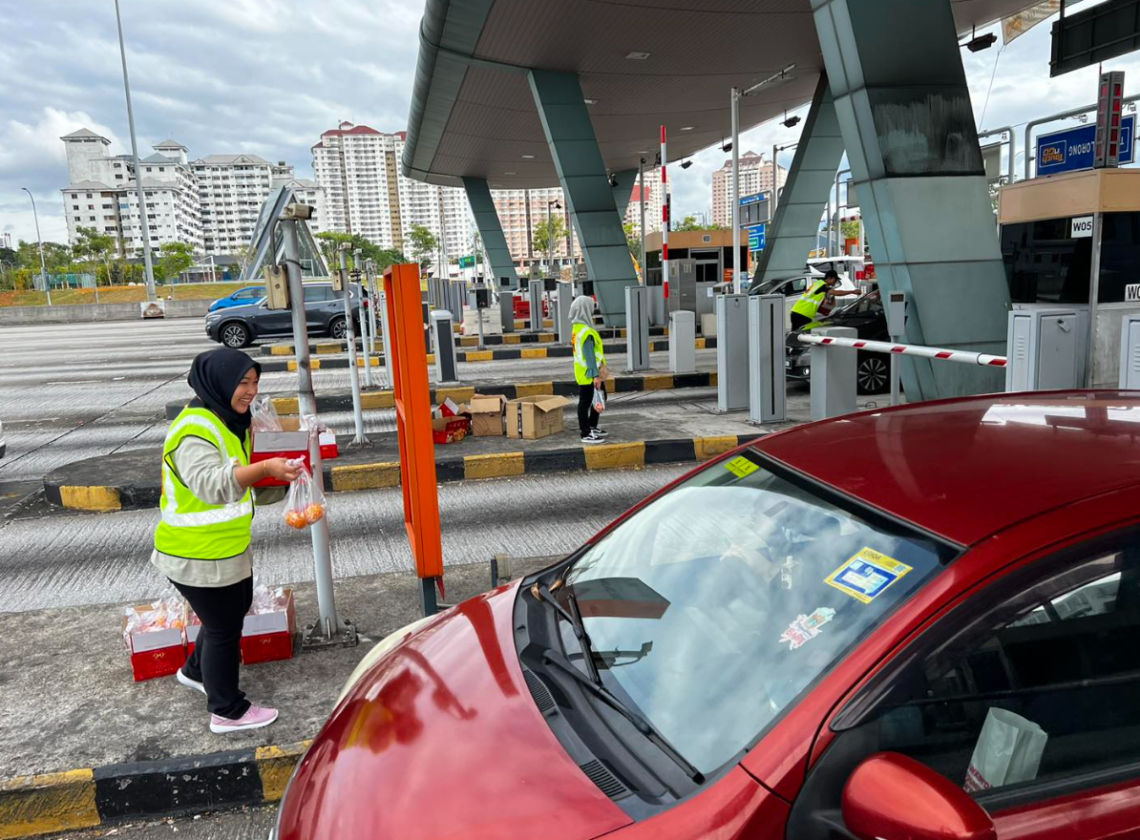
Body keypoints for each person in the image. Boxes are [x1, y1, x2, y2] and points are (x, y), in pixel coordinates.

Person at [153, 348, 300, 734]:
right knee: (223, 628)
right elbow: (213, 484)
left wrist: (279, 480)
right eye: (242, 383)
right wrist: (266, 467)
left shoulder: (226, 421)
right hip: (196, 555)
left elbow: (243, 488)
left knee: (229, 614)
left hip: (222, 549)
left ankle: (195, 671)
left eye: (255, 382)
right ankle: (226, 709)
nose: (250, 391)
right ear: (217, 382)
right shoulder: (193, 431)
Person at [569, 295, 607, 444]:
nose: (593, 309)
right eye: (591, 306)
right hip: (588, 373)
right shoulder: (586, 331)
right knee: (586, 402)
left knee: (598, 398)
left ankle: (591, 426)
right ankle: (585, 433)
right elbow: (589, 355)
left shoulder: (578, 328)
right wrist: (595, 376)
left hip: (586, 372)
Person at [789, 269, 859, 330]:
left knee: (796, 335)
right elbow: (836, 292)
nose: (835, 282)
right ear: (829, 278)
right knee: (799, 336)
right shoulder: (822, 285)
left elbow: (826, 309)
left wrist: (832, 298)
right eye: (835, 280)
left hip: (798, 313)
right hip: (802, 315)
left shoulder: (819, 286)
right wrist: (852, 291)